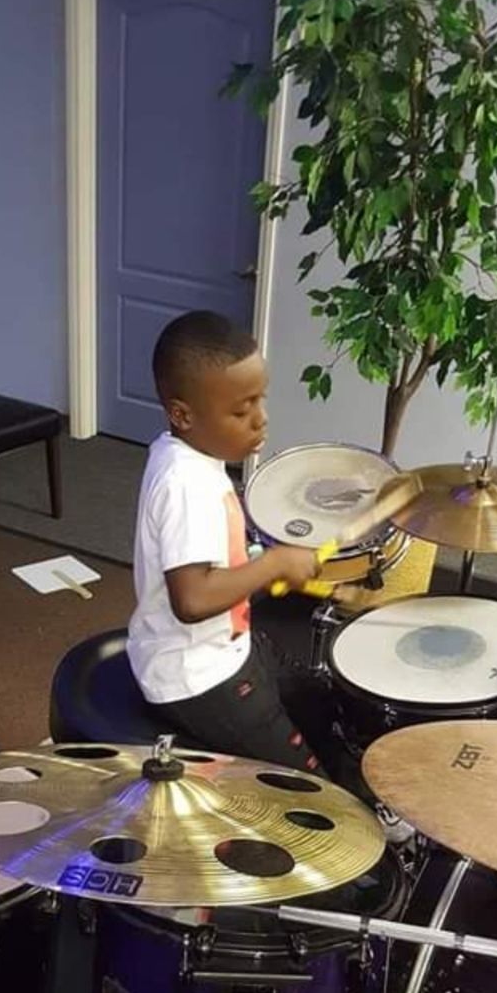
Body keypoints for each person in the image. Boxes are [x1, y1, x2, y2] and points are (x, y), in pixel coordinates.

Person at [127, 311, 327, 771]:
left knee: (317, 697)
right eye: (241, 410)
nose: (261, 419)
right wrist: (274, 565)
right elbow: (192, 598)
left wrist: (261, 561)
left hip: (219, 647)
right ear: (183, 414)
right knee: (308, 785)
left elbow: (216, 561)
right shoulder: (186, 485)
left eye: (260, 400)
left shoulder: (185, 455)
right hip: (195, 677)